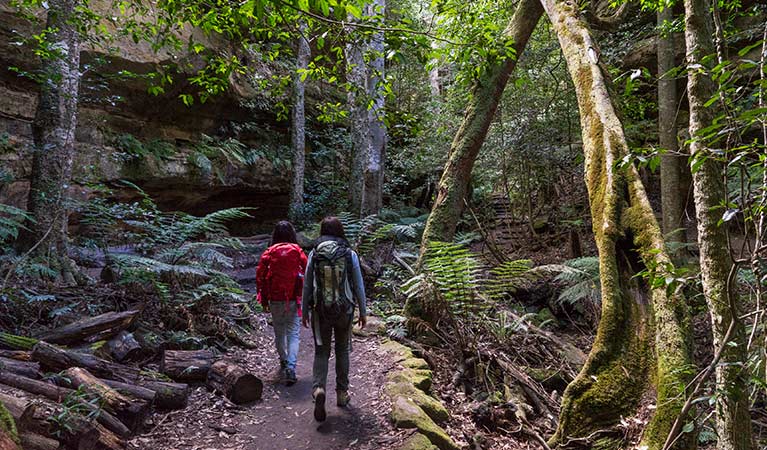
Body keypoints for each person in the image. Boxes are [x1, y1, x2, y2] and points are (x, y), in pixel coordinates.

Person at [302, 216, 367, 422]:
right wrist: (363, 311)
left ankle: (319, 388)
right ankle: (341, 394)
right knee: (342, 350)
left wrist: (304, 310)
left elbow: (306, 284)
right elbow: (358, 284)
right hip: (344, 310)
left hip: (320, 310)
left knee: (321, 351)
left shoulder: (314, 253)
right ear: (340, 232)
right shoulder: (349, 254)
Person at [256, 220, 307, 386]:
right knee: (293, 333)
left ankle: (283, 360)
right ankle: (291, 366)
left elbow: (260, 278)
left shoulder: (269, 253)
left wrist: (263, 299)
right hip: (294, 297)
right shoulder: (297, 251)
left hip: (275, 298)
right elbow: (307, 270)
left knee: (279, 332)